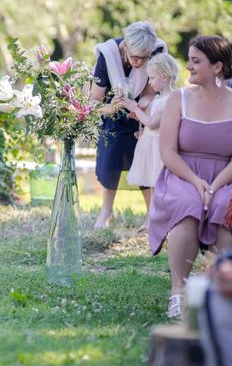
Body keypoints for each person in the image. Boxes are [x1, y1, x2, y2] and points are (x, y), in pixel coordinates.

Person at [149, 35, 232, 318]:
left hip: (225, 176)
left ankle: (207, 288)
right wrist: (197, 183)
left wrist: (216, 185)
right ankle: (178, 291)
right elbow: (168, 152)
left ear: (217, 66)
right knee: (188, 206)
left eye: (196, 61)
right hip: (182, 175)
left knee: (225, 207)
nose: (188, 67)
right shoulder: (178, 98)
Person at [90, 21, 167, 229]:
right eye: (135, 57)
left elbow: (154, 92)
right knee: (111, 155)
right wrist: (111, 108)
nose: (140, 62)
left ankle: (152, 215)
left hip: (143, 116)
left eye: (145, 57)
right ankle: (106, 211)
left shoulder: (157, 51)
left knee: (144, 155)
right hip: (112, 114)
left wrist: (144, 106)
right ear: (125, 45)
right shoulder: (107, 55)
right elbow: (93, 102)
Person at [119, 53, 179, 231]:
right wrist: (143, 129)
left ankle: (164, 222)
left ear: (164, 76)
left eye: (152, 78)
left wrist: (136, 108)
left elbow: (154, 123)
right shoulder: (159, 99)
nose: (150, 82)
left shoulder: (169, 99)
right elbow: (151, 124)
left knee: (161, 187)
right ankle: (152, 221)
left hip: (159, 148)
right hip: (151, 143)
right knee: (154, 186)